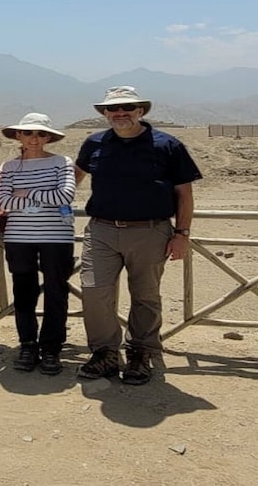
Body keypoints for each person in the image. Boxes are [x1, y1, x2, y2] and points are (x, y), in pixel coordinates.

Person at [74, 86, 202, 385]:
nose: (120, 114)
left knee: (145, 295)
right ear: (105, 114)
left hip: (150, 231)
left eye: (127, 108)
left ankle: (141, 353)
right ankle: (105, 352)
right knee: (94, 290)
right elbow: (71, 181)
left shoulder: (167, 145)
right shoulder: (93, 143)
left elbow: (184, 193)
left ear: (140, 111)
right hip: (102, 229)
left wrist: (182, 233)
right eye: (113, 109)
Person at [0, 113, 76, 375]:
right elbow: (3, 202)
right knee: (24, 292)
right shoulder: (8, 167)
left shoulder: (62, 162)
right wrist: (43, 197)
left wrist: (26, 193)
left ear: (49, 137)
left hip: (57, 238)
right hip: (19, 238)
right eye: (28, 133)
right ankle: (28, 344)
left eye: (41, 133)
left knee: (56, 291)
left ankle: (51, 347)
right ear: (18, 135)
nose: (34, 138)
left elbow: (65, 194)